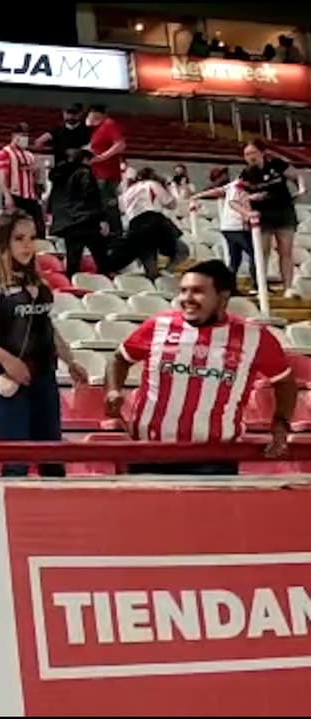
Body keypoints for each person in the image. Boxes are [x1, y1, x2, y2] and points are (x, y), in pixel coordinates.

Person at [105, 260, 296, 476]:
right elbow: (119, 359)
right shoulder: (158, 325)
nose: (186, 299)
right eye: (183, 291)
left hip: (215, 458)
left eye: (197, 291)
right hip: (149, 453)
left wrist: (280, 423)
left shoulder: (255, 337)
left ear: (223, 297)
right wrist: (113, 390)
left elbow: (285, 382)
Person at [0, 209, 88, 478]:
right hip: (0, 376)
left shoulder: (34, 280)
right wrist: (5, 359)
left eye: (32, 238)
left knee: (53, 458)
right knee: (16, 458)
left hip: (42, 375)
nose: (28, 245)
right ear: (2, 240)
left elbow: (45, 324)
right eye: (19, 238)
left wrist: (69, 360)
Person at [240, 139, 303, 298]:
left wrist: (301, 190)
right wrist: (249, 208)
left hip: (283, 211)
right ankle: (261, 286)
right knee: (263, 252)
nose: (250, 157)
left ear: (262, 152)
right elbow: (242, 197)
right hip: (262, 215)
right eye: (247, 154)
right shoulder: (246, 173)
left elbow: (296, 176)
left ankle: (288, 287)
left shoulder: (276, 164)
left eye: (253, 152)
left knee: (285, 251)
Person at [110, 167, 189, 280]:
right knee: (182, 250)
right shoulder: (151, 184)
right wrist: (169, 188)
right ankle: (167, 271)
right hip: (153, 222)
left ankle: (155, 277)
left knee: (148, 260)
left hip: (135, 225)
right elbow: (171, 204)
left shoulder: (128, 192)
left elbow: (122, 210)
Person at [50, 148, 109, 276]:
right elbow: (91, 196)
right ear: (85, 160)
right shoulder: (84, 172)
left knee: (72, 261)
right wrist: (102, 218)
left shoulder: (59, 176)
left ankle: (71, 285)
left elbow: (53, 200)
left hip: (67, 223)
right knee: (101, 258)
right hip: (85, 221)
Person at [192, 175, 257, 284]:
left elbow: (218, 191)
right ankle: (257, 284)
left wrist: (198, 195)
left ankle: (231, 285)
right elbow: (233, 203)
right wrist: (247, 214)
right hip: (237, 226)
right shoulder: (238, 187)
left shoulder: (232, 186)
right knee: (254, 254)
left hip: (228, 226)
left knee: (235, 258)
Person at [33, 104, 91, 217]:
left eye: (73, 114)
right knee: (59, 199)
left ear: (79, 115)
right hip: (61, 172)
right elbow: (39, 141)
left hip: (80, 172)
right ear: (64, 114)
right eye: (68, 113)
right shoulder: (58, 130)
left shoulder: (86, 131)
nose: (70, 116)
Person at [85, 104, 126, 237]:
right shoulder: (96, 131)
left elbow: (120, 145)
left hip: (107, 174)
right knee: (100, 206)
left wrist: (101, 157)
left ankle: (116, 234)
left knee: (108, 205)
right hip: (97, 173)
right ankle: (106, 233)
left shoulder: (108, 124)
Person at [0, 122, 43, 237]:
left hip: (30, 197)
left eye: (26, 135)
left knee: (38, 230)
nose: (25, 138)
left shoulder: (30, 155)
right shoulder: (5, 153)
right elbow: (2, 177)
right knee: (15, 230)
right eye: (22, 135)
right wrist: (7, 196)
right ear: (14, 135)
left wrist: (37, 173)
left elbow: (34, 179)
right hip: (15, 195)